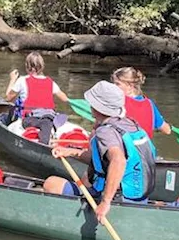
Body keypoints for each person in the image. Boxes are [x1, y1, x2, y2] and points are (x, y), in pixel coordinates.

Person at [43, 80, 154, 221]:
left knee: (51, 183)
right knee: (85, 179)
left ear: (96, 107)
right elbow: (102, 159)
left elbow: (118, 161)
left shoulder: (105, 132)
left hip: (117, 199)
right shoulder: (131, 125)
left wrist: (105, 202)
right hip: (139, 197)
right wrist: (70, 152)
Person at [4, 51, 70, 141]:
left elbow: (8, 98)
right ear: (42, 66)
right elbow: (65, 98)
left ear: (27, 66)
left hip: (29, 119)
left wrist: (12, 80)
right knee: (50, 119)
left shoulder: (22, 80)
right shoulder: (51, 82)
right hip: (48, 117)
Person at [112, 66, 172, 154]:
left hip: (126, 153)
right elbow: (167, 130)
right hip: (147, 154)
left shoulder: (119, 103)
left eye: (117, 84)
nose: (113, 87)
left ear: (130, 86)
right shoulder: (149, 104)